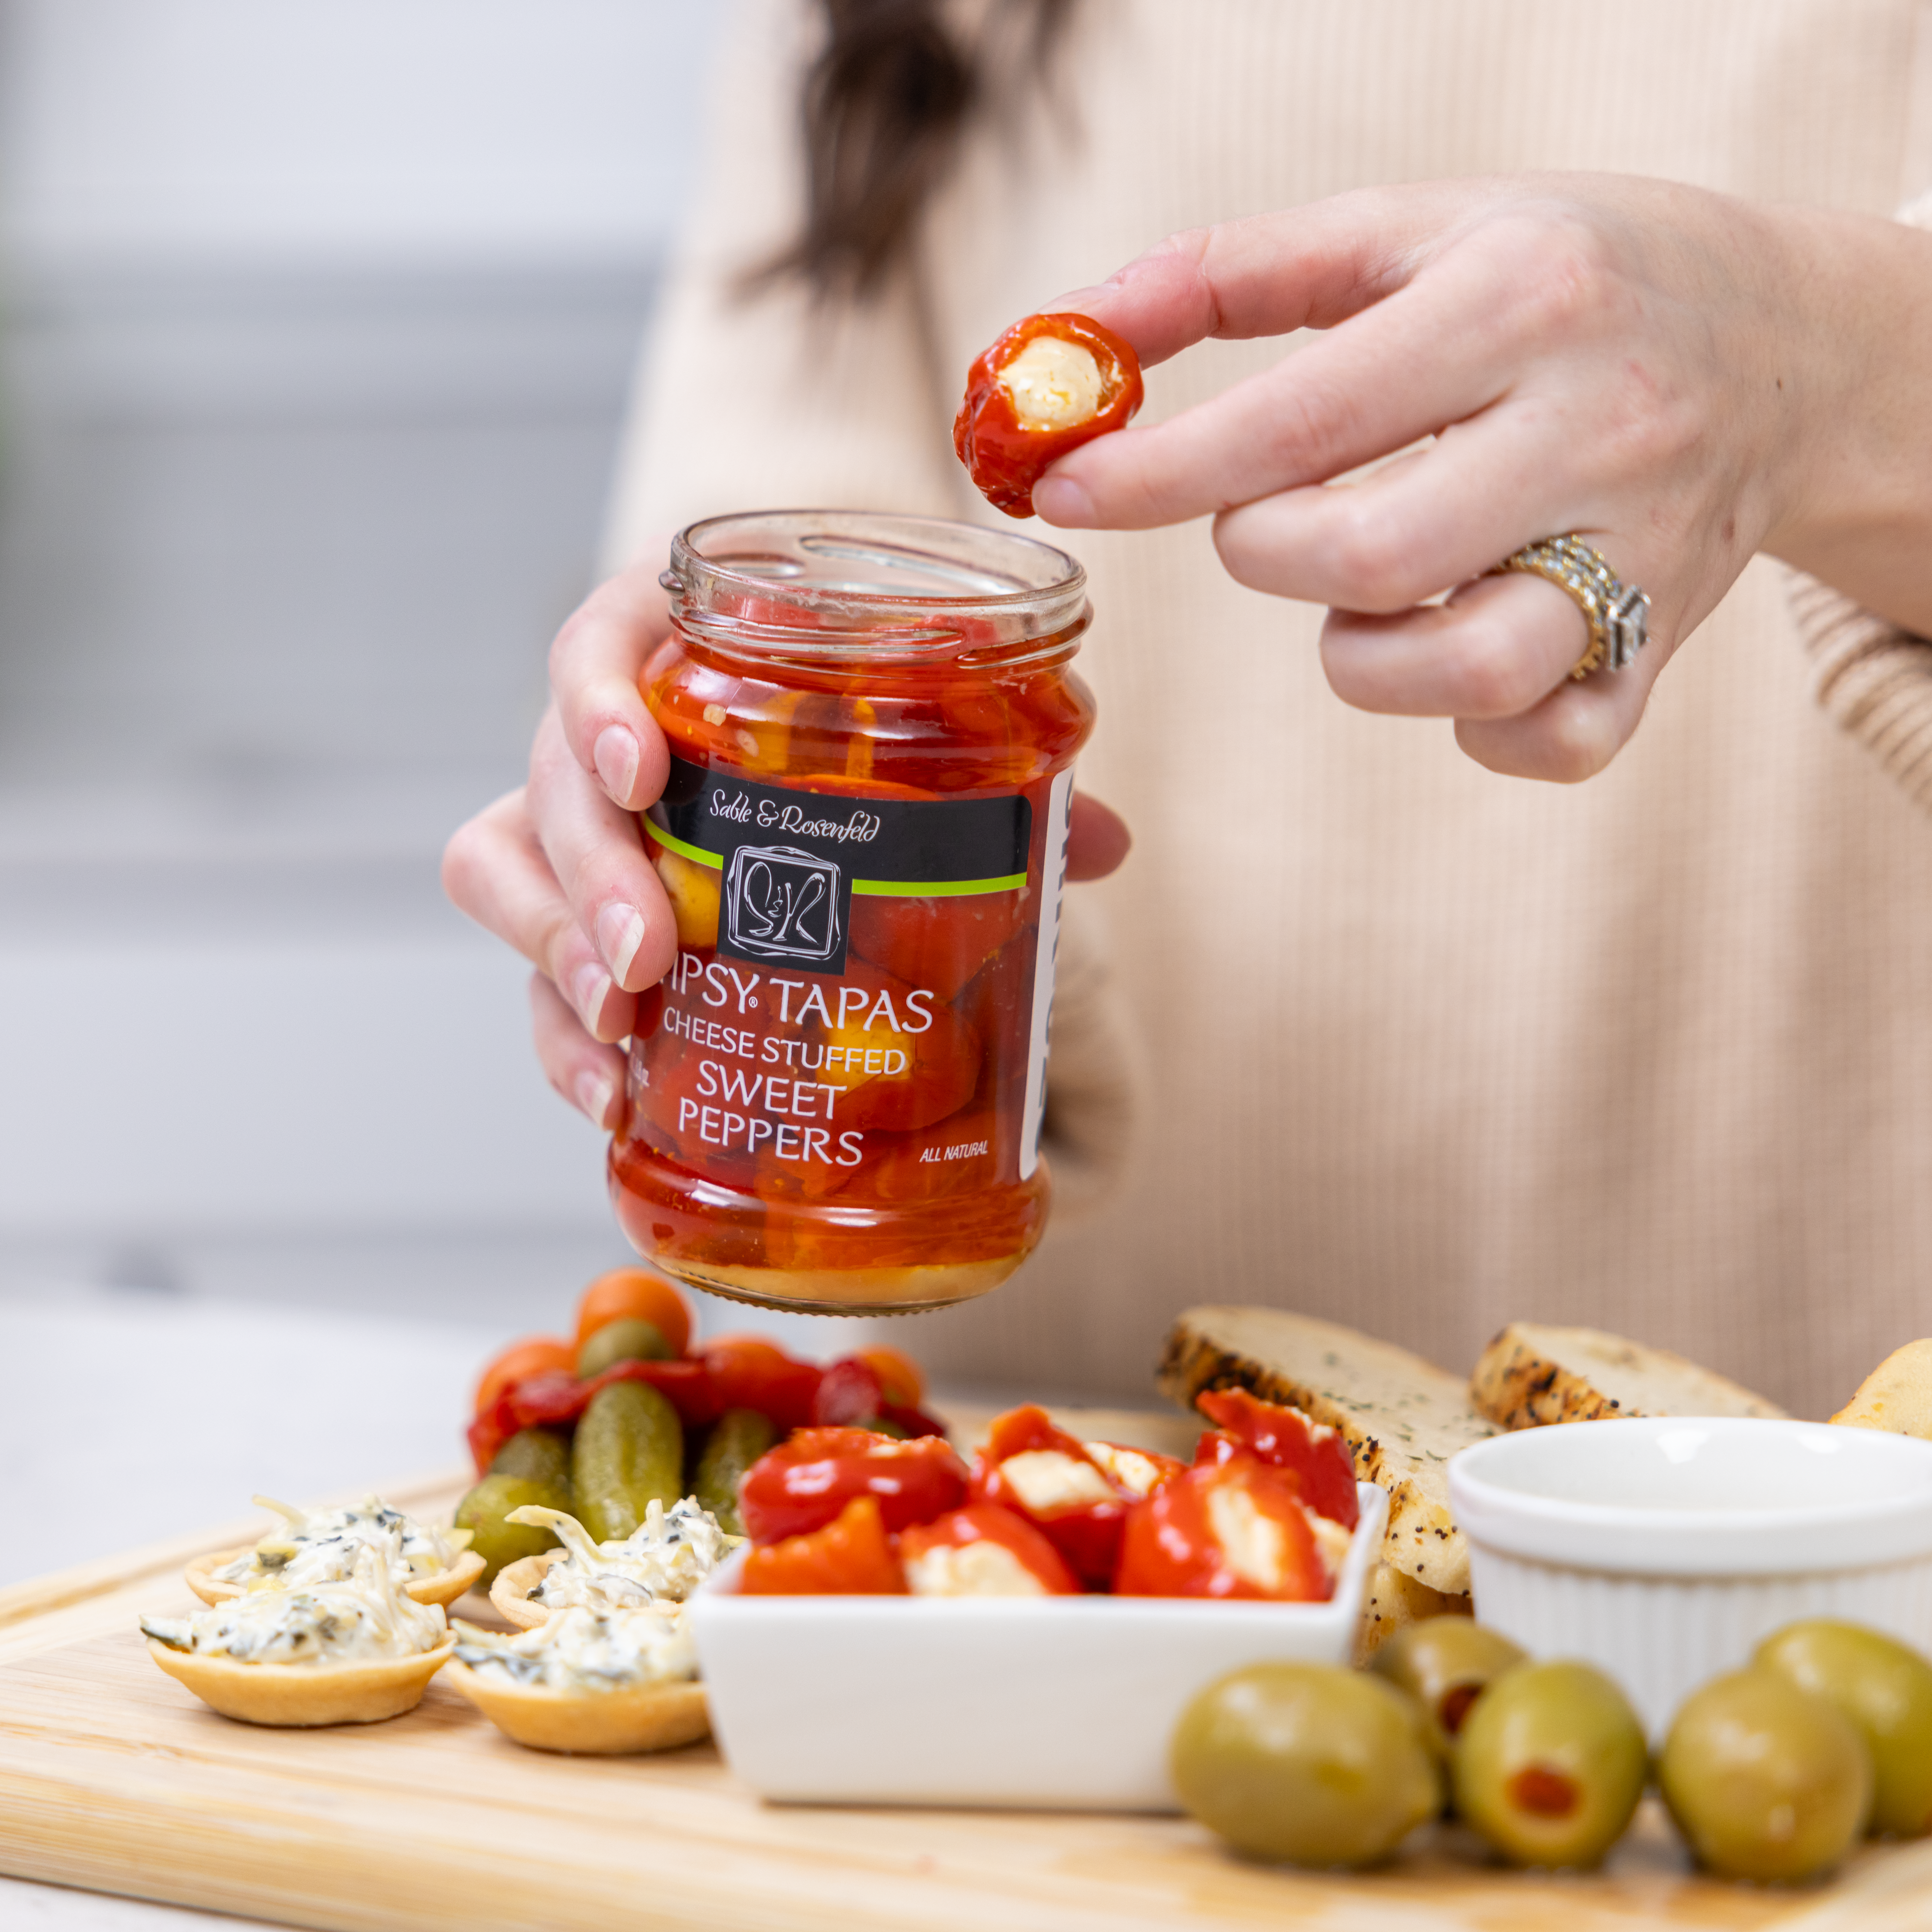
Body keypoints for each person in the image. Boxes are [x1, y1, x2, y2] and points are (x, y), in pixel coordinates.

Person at [445, 0, 1932, 1418]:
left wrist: (1821, 366)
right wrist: (869, 898)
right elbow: (764, 535)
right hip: (1031, 1465)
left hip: (1822, 1474)